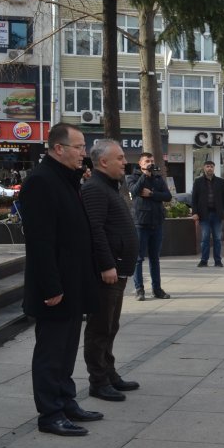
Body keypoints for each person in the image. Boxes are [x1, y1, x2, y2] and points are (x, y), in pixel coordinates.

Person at [19, 123, 101, 436]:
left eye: (84, 147)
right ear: (58, 149)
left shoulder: (66, 179)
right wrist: (52, 286)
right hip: (54, 288)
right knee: (51, 353)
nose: (84, 153)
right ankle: (50, 414)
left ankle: (66, 402)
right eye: (79, 147)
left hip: (73, 283)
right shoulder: (41, 182)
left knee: (66, 350)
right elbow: (40, 242)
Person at [81, 140, 142, 403]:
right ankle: (99, 381)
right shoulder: (94, 189)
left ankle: (110, 373)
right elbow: (95, 230)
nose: (124, 162)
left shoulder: (110, 187)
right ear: (103, 162)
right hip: (108, 271)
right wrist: (107, 265)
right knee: (100, 328)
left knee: (111, 326)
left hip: (119, 269)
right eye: (119, 158)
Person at [127, 152, 172, 301]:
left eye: (152, 161)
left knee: (155, 258)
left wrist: (152, 194)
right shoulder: (132, 177)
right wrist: (144, 175)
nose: (150, 163)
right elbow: (134, 191)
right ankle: (139, 289)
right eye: (147, 161)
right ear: (140, 163)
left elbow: (167, 196)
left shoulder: (158, 178)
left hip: (157, 222)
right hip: (141, 223)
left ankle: (157, 289)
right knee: (138, 258)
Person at [192, 161, 224, 266]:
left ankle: (218, 261)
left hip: (217, 214)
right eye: (208, 166)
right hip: (204, 214)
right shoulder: (198, 181)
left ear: (214, 168)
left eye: (211, 167)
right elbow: (194, 198)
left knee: (217, 238)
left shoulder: (220, 182)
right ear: (204, 168)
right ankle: (204, 260)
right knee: (205, 238)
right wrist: (194, 212)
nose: (210, 168)